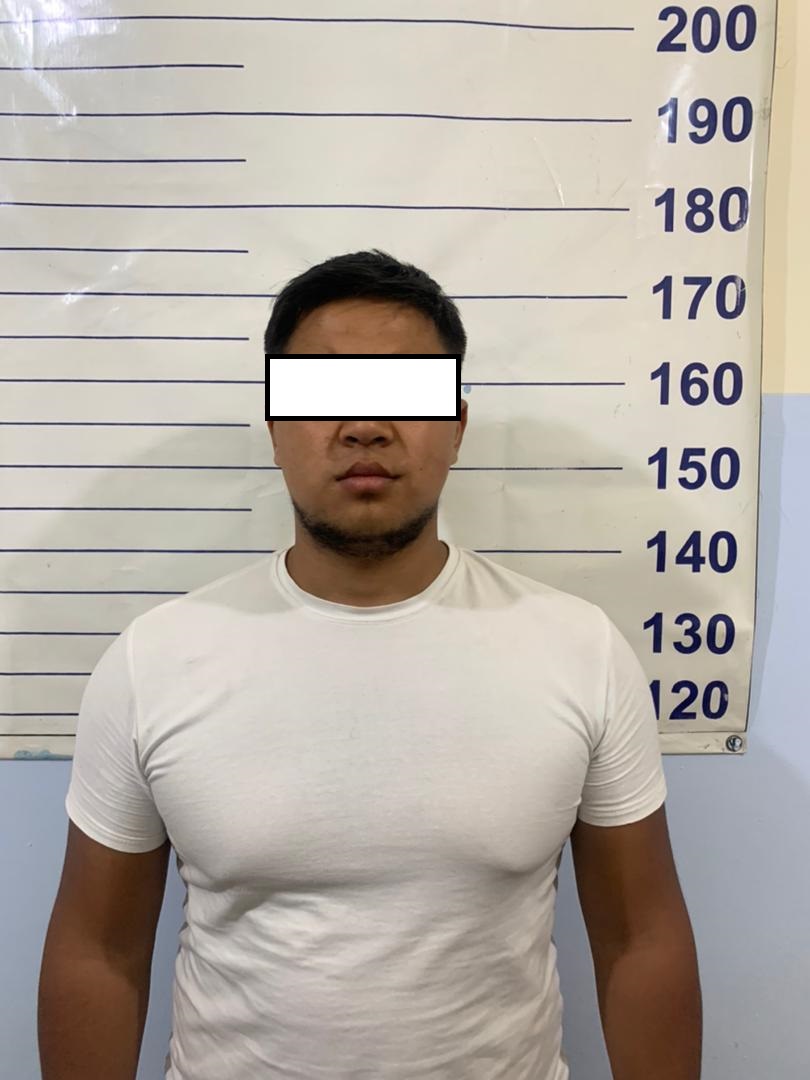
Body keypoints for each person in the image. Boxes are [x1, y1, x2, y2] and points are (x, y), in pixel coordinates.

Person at [38, 249, 702, 1079]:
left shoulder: (580, 650)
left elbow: (642, 939)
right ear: (275, 427)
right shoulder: (154, 660)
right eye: (323, 394)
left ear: (456, 426)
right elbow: (96, 951)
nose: (364, 426)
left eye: (405, 392)